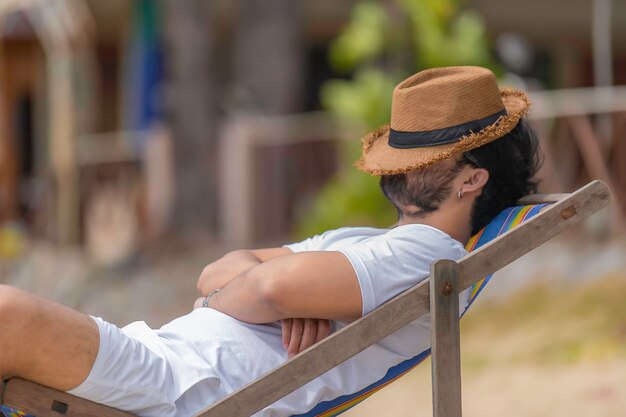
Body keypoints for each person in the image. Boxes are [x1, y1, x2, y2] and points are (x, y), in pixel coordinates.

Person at [0, 66, 540, 417]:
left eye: (419, 158)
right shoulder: (363, 241)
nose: (395, 169)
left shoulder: (429, 255)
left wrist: (261, 296)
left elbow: (265, 284)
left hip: (181, 388)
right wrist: (270, 296)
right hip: (162, 361)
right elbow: (222, 271)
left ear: (472, 179)